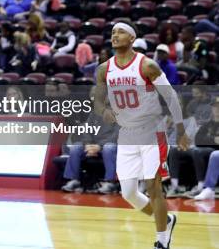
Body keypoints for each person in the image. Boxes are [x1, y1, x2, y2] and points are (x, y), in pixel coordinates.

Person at [94, 20, 189, 249]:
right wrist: (104, 111)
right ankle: (166, 220)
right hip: (127, 134)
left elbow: (171, 97)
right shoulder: (104, 69)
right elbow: (97, 101)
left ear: (132, 39)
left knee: (153, 187)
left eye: (121, 32)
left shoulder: (147, 65)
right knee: (128, 192)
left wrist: (180, 129)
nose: (115, 36)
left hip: (151, 132)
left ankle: (162, 240)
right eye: (113, 32)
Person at [188, 98, 219, 200]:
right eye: (215, 106)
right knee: (196, 150)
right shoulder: (208, 123)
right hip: (211, 149)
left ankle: (209, 188)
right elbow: (198, 139)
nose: (216, 108)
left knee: (215, 155)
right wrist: (213, 139)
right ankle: (201, 185)